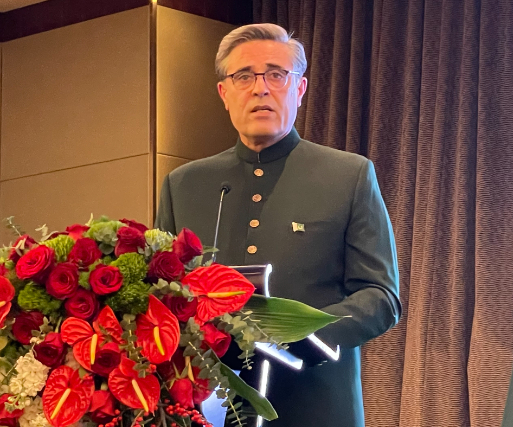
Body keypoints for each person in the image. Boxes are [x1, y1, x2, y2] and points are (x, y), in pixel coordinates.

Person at [155, 23, 401, 427]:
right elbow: (161, 296)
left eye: (276, 74)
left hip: (317, 404)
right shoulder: (184, 184)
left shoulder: (348, 175)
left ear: (299, 89)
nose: (260, 88)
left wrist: (309, 334)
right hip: (206, 407)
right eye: (244, 76)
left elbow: (381, 295)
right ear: (224, 93)